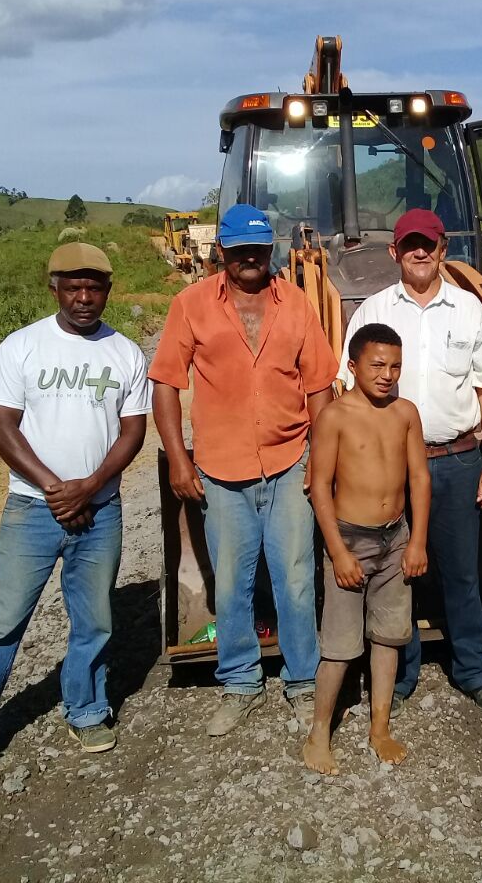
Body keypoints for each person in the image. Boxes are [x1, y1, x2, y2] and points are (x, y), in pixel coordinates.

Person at [0, 241, 150, 789]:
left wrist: (88, 487)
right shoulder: (21, 348)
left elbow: (133, 430)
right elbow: (3, 426)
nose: (85, 298)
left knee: (94, 619)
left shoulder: (126, 354)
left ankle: (86, 710)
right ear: (54, 288)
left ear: (108, 290)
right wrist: (53, 489)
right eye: (73, 288)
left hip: (100, 509)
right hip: (31, 508)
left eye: (94, 288)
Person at [150, 204, 337, 736]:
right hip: (221, 472)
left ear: (271, 249)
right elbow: (165, 383)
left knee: (297, 580)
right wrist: (179, 459)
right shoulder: (190, 305)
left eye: (259, 249)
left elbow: (319, 387)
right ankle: (239, 682)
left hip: (287, 463)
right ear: (221, 253)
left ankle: (303, 682)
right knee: (231, 583)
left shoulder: (297, 304)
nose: (251, 258)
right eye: (240, 250)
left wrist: (319, 460)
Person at [339, 209, 482, 716]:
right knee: (397, 573)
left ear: (441, 250)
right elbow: (348, 390)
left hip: (457, 460)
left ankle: (473, 669)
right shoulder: (371, 312)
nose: (419, 252)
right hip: (391, 464)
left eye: (427, 244)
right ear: (394, 252)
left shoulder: (469, 311)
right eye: (409, 244)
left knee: (461, 571)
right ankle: (402, 671)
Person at [303, 324, 431, 773]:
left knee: (389, 637)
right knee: (339, 645)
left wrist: (416, 541)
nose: (387, 374)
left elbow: (419, 478)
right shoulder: (335, 416)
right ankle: (319, 733)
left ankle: (380, 727)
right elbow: (319, 487)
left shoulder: (406, 413)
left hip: (395, 538)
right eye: (377, 365)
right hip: (349, 539)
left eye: (395, 365)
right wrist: (337, 551)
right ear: (353, 366)